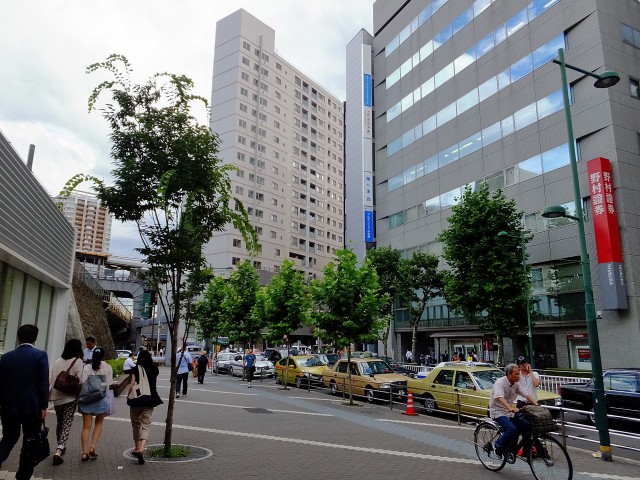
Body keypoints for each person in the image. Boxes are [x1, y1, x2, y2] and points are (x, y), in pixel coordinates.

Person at [0, 324, 49, 480]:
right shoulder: (40, 356)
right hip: (32, 407)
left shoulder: (6, 357)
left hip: (9, 407)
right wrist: (44, 406)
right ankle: (23, 475)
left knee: (8, 438)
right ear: (35, 338)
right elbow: (43, 383)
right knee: (30, 441)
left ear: (18, 337)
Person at [489, 363, 538, 459]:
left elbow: (526, 394)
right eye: (516, 374)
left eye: (519, 373)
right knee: (512, 429)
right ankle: (497, 446)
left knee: (527, 426)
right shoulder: (500, 383)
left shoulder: (516, 384)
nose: (518, 376)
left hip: (509, 412)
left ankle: (515, 448)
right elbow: (499, 397)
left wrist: (536, 404)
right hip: (498, 411)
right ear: (509, 374)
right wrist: (510, 408)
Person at [49, 338, 84, 466]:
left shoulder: (58, 361)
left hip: (56, 396)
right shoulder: (78, 361)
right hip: (70, 397)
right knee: (67, 423)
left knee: (60, 422)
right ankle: (59, 450)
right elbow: (81, 379)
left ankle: (61, 445)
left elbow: (51, 378)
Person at [128, 350, 163, 465]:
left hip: (136, 401)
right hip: (149, 400)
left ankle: (137, 447)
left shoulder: (135, 369)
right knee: (146, 425)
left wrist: (128, 395)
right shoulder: (154, 369)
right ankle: (142, 448)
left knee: (136, 425)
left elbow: (132, 384)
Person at [79, 347, 113, 462]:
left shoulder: (87, 367)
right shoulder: (108, 367)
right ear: (103, 356)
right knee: (99, 423)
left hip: (87, 399)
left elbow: (83, 382)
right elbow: (108, 383)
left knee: (86, 427)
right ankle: (92, 447)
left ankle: (84, 453)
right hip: (101, 400)